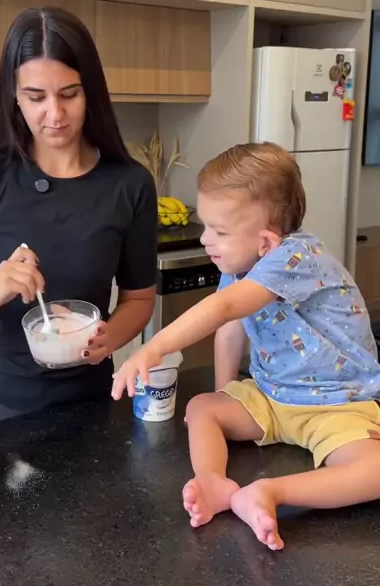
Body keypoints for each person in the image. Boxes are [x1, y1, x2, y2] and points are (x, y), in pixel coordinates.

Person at [112, 142, 380, 550]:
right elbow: (229, 329)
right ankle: (212, 481)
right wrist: (227, 395)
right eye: (206, 226)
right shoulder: (238, 266)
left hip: (336, 402)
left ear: (266, 243)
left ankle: (272, 491)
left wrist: (153, 347)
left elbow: (223, 308)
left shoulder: (297, 257)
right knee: (203, 407)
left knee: (374, 469)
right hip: (273, 396)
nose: (206, 239)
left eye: (219, 232)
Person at [0, 7, 157, 420]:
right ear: (15, 96)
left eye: (69, 94)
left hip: (94, 404)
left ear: (91, 92)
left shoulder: (131, 184)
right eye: (36, 97)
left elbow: (139, 298)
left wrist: (106, 339)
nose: (54, 114)